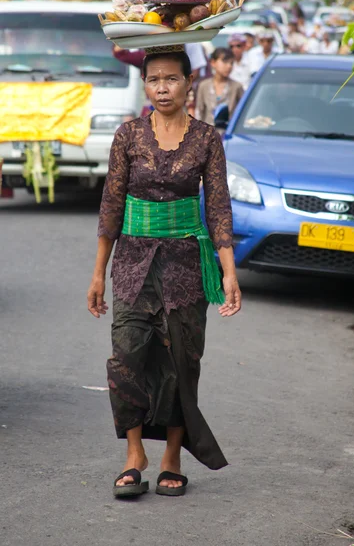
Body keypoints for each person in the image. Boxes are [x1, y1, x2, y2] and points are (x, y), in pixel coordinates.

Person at [87, 45, 241, 498]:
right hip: (133, 264)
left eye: (171, 79)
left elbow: (218, 209)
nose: (162, 87)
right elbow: (111, 207)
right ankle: (135, 452)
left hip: (186, 267)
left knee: (181, 363)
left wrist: (228, 273)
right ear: (145, 84)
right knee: (127, 357)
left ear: (189, 83)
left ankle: (173, 456)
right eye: (153, 79)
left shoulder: (206, 139)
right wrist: (98, 275)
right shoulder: (128, 136)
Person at [195, 47, 244, 125]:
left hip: (227, 133)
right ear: (213, 63)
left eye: (231, 63)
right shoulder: (204, 86)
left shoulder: (236, 87)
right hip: (207, 133)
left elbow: (242, 113)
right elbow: (199, 112)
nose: (229, 66)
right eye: (225, 62)